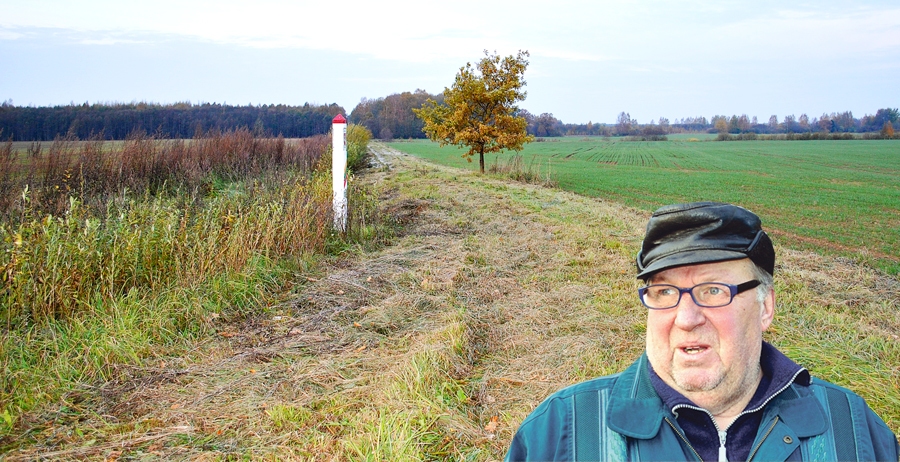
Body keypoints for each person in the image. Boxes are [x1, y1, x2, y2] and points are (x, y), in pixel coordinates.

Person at [505, 202, 898, 461]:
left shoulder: (851, 429)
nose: (686, 317)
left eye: (713, 290)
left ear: (766, 306)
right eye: (664, 292)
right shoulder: (563, 431)